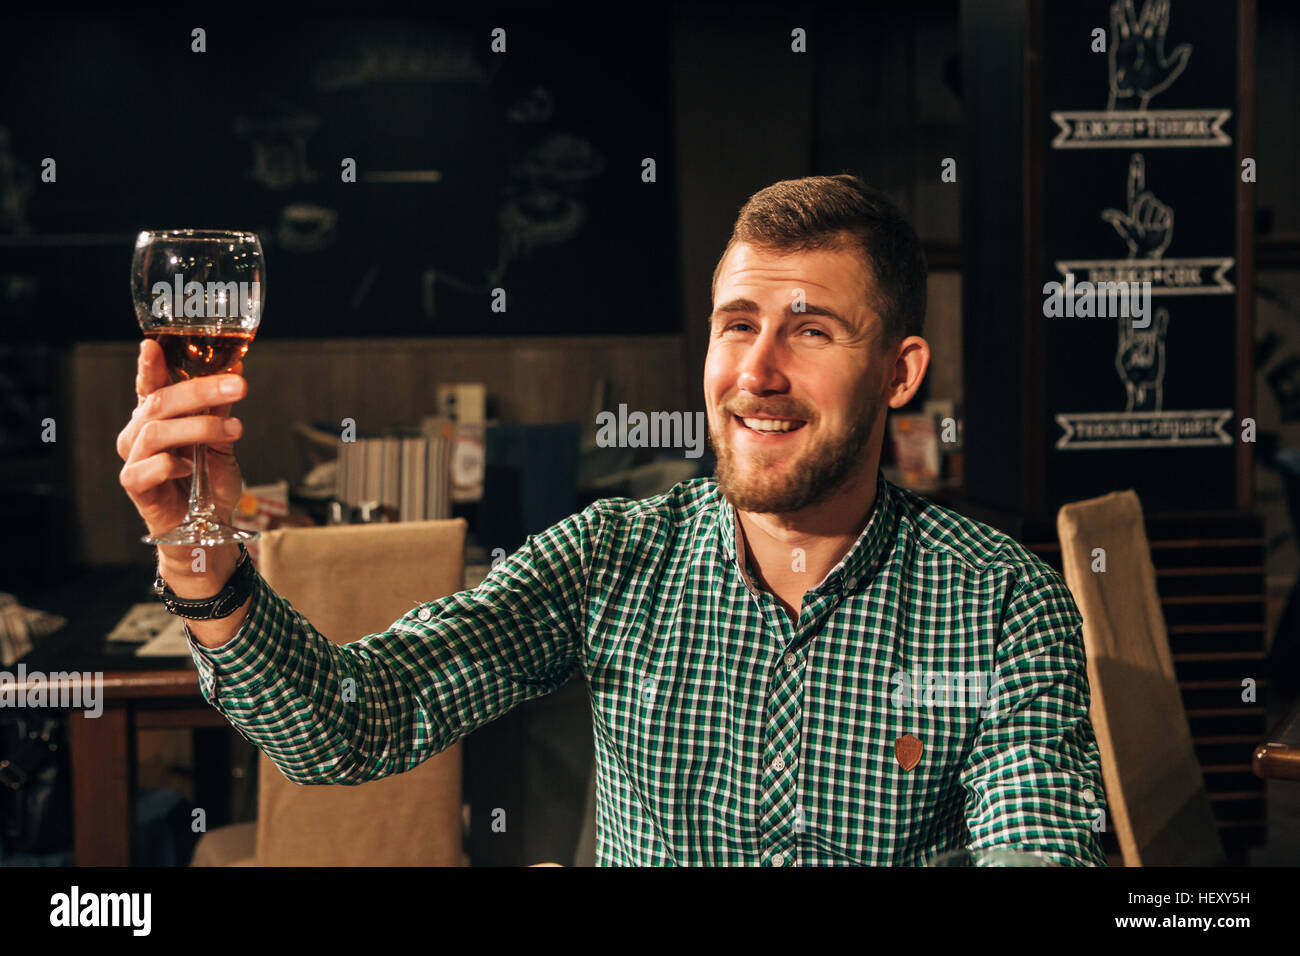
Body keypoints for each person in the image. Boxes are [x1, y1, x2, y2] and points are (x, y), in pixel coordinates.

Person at [118, 174, 1108, 866]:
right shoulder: (610, 555)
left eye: (810, 330)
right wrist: (201, 557)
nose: (757, 371)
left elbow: (1037, 852)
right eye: (736, 325)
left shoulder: (1002, 599)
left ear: (899, 371)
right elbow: (348, 723)